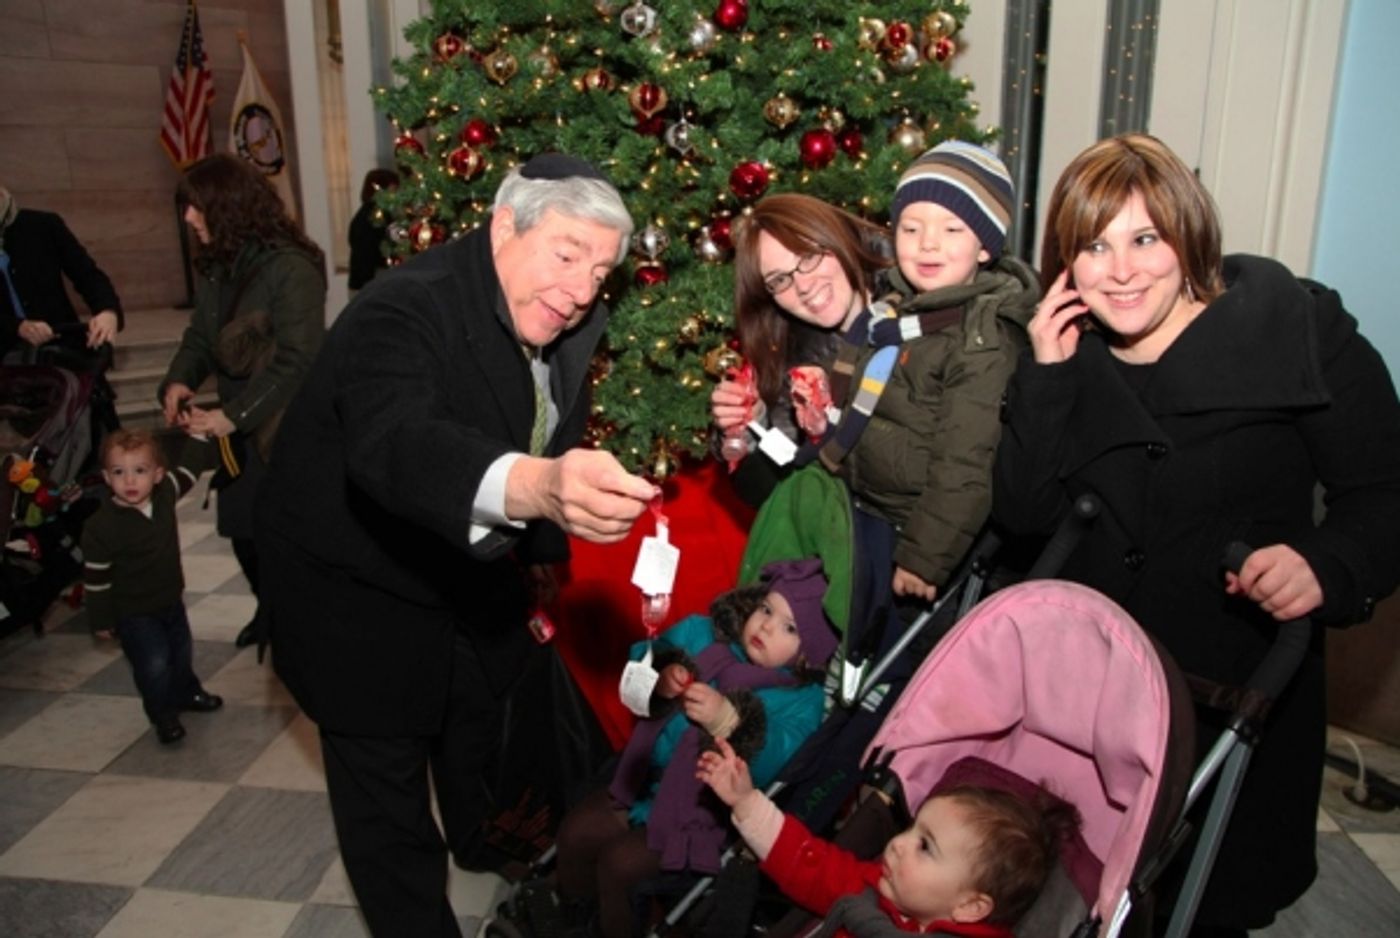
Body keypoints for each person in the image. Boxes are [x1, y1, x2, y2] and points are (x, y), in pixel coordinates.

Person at [992, 133, 1400, 936]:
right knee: (1078, 896)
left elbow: (1386, 492)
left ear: (1189, 231)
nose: (1122, 269)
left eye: (1146, 237)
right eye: (1094, 246)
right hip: (1094, 704)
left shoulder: (1299, 330)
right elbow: (1022, 518)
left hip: (1234, 691)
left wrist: (1327, 564)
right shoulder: (1066, 357)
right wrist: (1043, 374)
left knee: (1204, 900)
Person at [254, 153, 658, 938]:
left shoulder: (560, 310)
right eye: (567, 254)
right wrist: (540, 490)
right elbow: (399, 439)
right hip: (349, 589)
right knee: (388, 802)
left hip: (457, 567)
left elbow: (543, 419)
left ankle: (485, 842)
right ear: (506, 224)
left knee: (475, 719)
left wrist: (541, 544)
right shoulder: (402, 309)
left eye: (600, 271)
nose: (581, 291)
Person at [553, 558, 836, 938]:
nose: (766, 626)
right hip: (644, 781)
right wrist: (660, 672)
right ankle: (573, 921)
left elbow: (778, 761)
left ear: (808, 655)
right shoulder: (704, 634)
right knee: (575, 832)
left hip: (703, 817)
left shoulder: (801, 700)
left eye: (788, 627)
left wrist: (728, 721)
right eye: (766, 609)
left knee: (620, 866)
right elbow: (642, 656)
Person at [159, 154, 327, 651]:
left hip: (282, 423)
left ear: (227, 207)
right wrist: (178, 379)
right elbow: (200, 335)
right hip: (239, 423)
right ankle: (270, 609)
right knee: (242, 530)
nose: (189, 219)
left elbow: (299, 359)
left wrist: (232, 416)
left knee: (283, 534)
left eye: (196, 208)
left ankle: (292, 618)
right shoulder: (217, 266)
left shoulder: (290, 267)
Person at [697, 740, 1075, 937]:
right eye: (912, 830)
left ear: (970, 907)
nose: (897, 843)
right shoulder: (871, 888)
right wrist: (747, 802)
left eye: (924, 846)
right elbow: (808, 862)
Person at [711, 193, 891, 506]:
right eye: (779, 280)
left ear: (837, 240)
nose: (803, 286)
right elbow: (771, 498)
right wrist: (750, 429)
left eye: (808, 257)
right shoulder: (790, 367)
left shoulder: (922, 306)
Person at [81, 429, 223, 745]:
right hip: (133, 613)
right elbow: (97, 580)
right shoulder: (100, 527)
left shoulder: (164, 496)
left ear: (158, 475)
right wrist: (102, 620)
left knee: (181, 652)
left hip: (171, 599)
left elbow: (188, 472)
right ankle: (162, 714)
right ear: (106, 477)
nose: (130, 481)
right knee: (154, 665)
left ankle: (187, 692)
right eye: (119, 472)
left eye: (140, 471)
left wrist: (199, 438)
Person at [0, 186, 122, 359]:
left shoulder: (42, 225)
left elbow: (88, 276)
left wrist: (108, 312)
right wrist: (17, 327)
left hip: (61, 348)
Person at [348, 168, 399, 291]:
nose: (396, 194)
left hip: (366, 282)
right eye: (393, 189)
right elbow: (366, 256)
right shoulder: (373, 218)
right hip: (369, 284)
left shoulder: (367, 215)